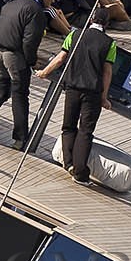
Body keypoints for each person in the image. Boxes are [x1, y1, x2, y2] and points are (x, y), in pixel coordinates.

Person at [0, 0, 59, 151]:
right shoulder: (36, 12)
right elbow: (30, 41)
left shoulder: (12, 4)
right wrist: (32, 62)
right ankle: (20, 139)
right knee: (20, 95)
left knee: (2, 90)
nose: (53, 0)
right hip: (13, 56)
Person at [37, 14, 117, 184]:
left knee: (68, 126)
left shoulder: (74, 34)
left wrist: (44, 72)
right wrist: (104, 97)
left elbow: (60, 58)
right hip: (92, 92)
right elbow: (107, 72)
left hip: (72, 87)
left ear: (91, 21)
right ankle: (80, 173)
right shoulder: (110, 43)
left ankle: (69, 163)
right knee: (85, 131)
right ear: (106, 24)